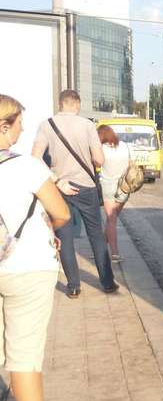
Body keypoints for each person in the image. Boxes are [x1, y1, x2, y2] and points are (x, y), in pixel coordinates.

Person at [0, 94, 73, 401]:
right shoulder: (27, 167)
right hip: (27, 268)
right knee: (24, 354)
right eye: (18, 123)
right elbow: (62, 213)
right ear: (4, 126)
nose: (23, 129)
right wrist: (48, 226)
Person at [31, 90, 117, 299]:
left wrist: (57, 180)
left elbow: (35, 157)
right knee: (96, 235)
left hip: (60, 189)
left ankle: (73, 286)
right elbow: (99, 160)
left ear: (60, 104)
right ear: (77, 104)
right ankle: (106, 283)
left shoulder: (46, 124)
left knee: (65, 238)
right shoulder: (87, 125)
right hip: (86, 188)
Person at [97, 125, 131, 263]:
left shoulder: (101, 149)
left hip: (108, 187)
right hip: (124, 187)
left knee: (111, 221)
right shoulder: (124, 146)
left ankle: (115, 254)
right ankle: (100, 250)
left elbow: (96, 162)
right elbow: (130, 164)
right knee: (112, 219)